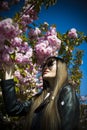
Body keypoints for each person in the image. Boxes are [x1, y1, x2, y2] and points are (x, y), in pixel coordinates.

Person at [0, 56, 80, 130]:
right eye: (44, 65)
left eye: (50, 64)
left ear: (61, 68)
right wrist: (8, 74)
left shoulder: (66, 91)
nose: (45, 67)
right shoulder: (38, 98)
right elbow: (13, 109)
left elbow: (69, 125)